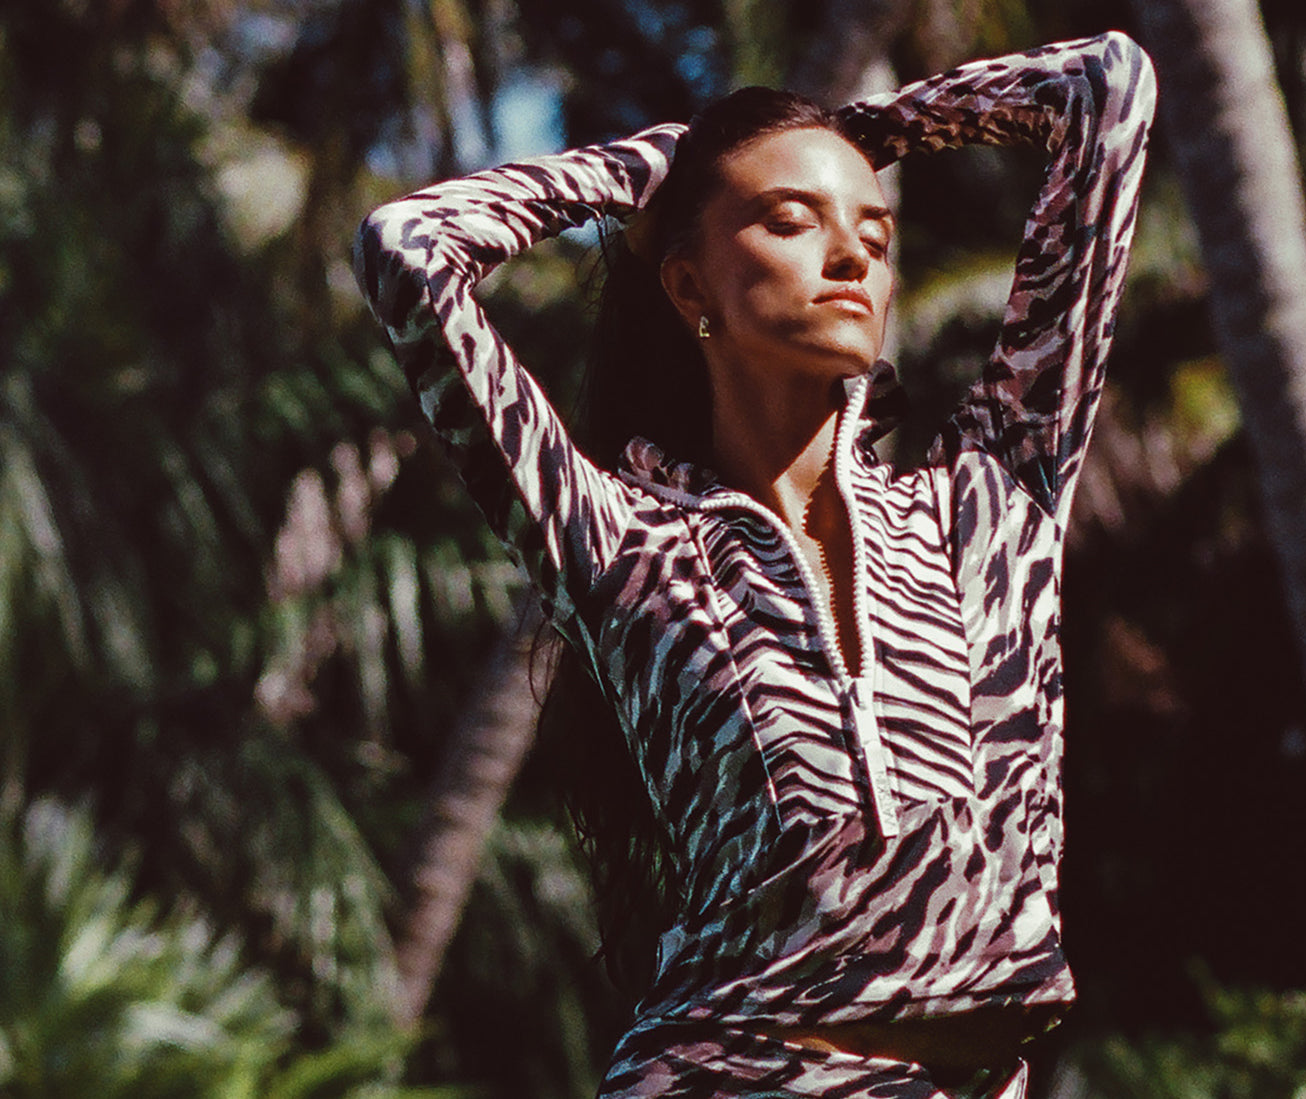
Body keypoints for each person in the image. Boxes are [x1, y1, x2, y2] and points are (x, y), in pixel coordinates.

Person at [355, 29, 1155, 1099]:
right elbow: (409, 246)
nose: (850, 257)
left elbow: (1106, 89)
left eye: (871, 232)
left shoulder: (992, 497)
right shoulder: (620, 541)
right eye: (790, 220)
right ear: (690, 284)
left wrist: (867, 131)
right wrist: (651, 166)